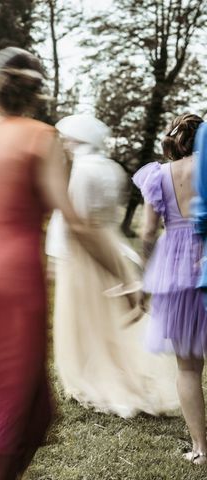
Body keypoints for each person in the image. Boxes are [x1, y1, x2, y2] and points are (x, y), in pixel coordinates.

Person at [0, 47, 140, 480]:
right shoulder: (42, 137)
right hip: (13, 285)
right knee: (12, 408)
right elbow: (77, 223)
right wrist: (124, 273)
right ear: (35, 94)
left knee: (40, 409)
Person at [49, 114, 178, 418]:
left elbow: (73, 218)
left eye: (66, 137)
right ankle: (120, 370)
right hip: (111, 243)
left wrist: (56, 253)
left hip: (84, 251)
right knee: (109, 318)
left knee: (84, 319)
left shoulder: (79, 169)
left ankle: (92, 375)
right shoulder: (112, 168)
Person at [134, 113, 207, 464]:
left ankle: (200, 449)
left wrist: (148, 270)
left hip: (174, 266)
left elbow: (148, 232)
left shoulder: (159, 175)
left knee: (189, 367)